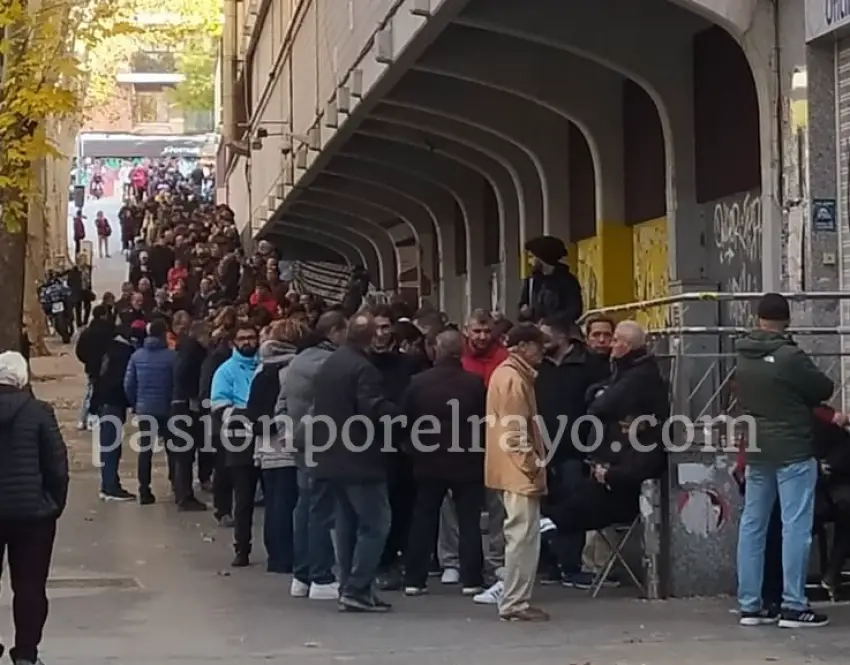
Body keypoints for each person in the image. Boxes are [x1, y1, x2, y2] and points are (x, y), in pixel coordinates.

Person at [735, 293, 834, 628]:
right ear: (787, 319)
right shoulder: (790, 355)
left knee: (752, 525)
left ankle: (750, 604)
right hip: (792, 448)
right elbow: (822, 388)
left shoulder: (742, 353)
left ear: (757, 317)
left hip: (757, 448)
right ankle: (794, 604)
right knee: (795, 526)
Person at [312, 311, 398, 612]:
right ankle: (358, 587)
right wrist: (399, 414)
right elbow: (371, 408)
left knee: (347, 523)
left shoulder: (332, 364)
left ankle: (350, 587)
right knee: (376, 524)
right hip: (360, 458)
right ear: (370, 337)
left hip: (332, 455)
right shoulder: (364, 369)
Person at [401, 329, 486, 597]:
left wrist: (411, 448)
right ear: (461, 351)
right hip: (467, 459)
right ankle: (471, 579)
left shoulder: (417, 383)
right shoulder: (474, 383)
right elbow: (484, 421)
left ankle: (415, 579)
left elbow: (404, 420)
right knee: (469, 521)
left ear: (436, 350)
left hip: (428, 460)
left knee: (424, 519)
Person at [0, 351, 69, 665]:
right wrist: (53, 504)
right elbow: (56, 464)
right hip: (33, 515)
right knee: (29, 586)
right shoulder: (39, 412)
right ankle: (26, 653)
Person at [535, 313, 609, 588]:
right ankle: (548, 565)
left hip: (575, 448)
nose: (540, 344)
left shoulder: (588, 366)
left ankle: (570, 566)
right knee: (544, 506)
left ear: (562, 336)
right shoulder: (537, 366)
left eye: (545, 337)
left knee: (571, 504)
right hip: (542, 448)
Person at [484, 323, 548, 621]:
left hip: (510, 468)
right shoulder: (513, 378)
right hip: (517, 470)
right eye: (538, 346)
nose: (542, 351)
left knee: (522, 535)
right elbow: (514, 431)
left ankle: (516, 600)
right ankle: (515, 602)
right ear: (523, 346)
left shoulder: (509, 374)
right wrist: (532, 465)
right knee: (522, 537)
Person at [286, 310, 348, 601]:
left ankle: (302, 575)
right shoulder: (328, 364)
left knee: (305, 507)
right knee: (321, 510)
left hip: (301, 441)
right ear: (335, 331)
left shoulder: (299, 360)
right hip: (321, 442)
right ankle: (321, 576)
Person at [246, 319, 306, 573]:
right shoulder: (292, 371)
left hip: (266, 448)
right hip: (288, 446)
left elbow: (253, 411)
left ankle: (276, 555)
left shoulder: (261, 371)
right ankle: (288, 555)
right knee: (289, 503)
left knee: (274, 503)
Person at [210, 322, 260, 567]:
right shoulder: (225, 371)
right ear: (234, 342)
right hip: (239, 440)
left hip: (267, 437)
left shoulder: (264, 367)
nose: (247, 342)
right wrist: (250, 417)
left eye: (251, 337)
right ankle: (242, 547)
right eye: (242, 338)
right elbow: (220, 407)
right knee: (243, 499)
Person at [123, 318, 176, 505]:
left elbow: (129, 383)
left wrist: (135, 404)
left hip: (145, 409)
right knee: (174, 448)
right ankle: (176, 484)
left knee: (145, 450)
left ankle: (144, 489)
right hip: (167, 408)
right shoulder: (172, 357)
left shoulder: (137, 356)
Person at [90, 325, 136, 501]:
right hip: (113, 403)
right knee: (111, 446)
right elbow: (125, 381)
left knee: (108, 445)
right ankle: (110, 486)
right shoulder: (124, 353)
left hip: (105, 402)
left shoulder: (109, 350)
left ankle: (108, 484)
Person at [171, 319, 210, 511]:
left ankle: (182, 491)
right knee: (185, 454)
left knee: (183, 453)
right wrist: (194, 395)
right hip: (186, 406)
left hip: (180, 404)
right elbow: (182, 376)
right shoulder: (193, 352)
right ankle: (184, 495)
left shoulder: (185, 349)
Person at [518, 235, 582, 323]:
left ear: (542, 258)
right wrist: (523, 312)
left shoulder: (568, 281)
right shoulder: (531, 282)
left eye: (531, 257)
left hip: (560, 331)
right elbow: (521, 308)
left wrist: (549, 322)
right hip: (535, 332)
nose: (529, 262)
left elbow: (574, 311)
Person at [74, 305, 114, 431]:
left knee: (89, 392)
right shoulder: (108, 332)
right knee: (99, 393)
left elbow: (79, 351)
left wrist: (87, 361)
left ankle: (83, 419)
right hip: (104, 367)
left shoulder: (87, 332)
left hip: (91, 367)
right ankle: (94, 417)